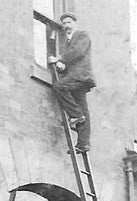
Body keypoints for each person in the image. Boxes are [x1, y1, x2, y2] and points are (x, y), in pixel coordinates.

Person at [48, 12, 96, 153]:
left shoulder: (82, 35)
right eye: (64, 23)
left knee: (59, 87)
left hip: (81, 76)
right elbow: (74, 59)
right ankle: (83, 144)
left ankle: (76, 115)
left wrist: (59, 59)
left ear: (75, 23)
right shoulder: (68, 40)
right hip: (76, 76)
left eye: (69, 22)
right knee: (83, 108)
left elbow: (78, 52)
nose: (66, 25)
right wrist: (64, 66)